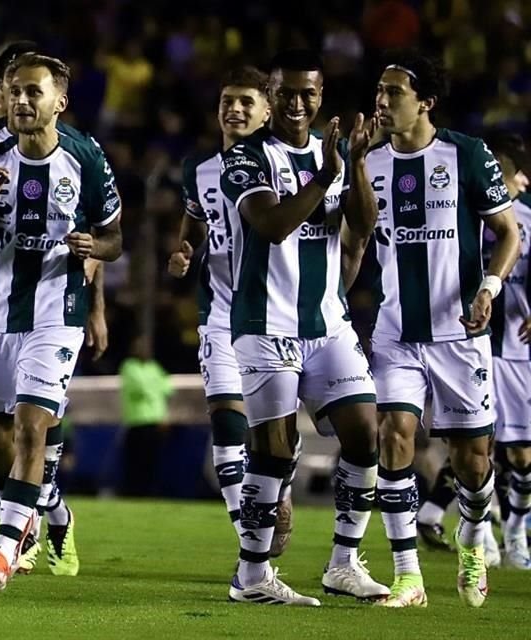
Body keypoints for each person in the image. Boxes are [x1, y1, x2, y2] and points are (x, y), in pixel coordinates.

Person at [221, 49, 386, 606]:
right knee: (275, 450)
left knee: (367, 432)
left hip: (326, 321)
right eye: (285, 93)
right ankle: (252, 576)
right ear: (270, 99)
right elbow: (269, 225)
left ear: (321, 97)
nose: (296, 103)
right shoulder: (246, 157)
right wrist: (325, 177)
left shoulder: (333, 152)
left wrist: (356, 164)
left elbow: (362, 226)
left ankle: (343, 563)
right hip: (263, 323)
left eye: (307, 94)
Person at [0, 53, 122, 590]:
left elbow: (114, 238)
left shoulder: (85, 155)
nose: (22, 101)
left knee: (33, 426)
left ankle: (5, 549)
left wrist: (94, 246)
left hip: (57, 311)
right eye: (15, 91)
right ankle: (51, 512)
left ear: (60, 101)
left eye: (34, 92)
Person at [363, 50, 520, 608]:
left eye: (394, 93)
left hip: (461, 334)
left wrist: (489, 289)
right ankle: (408, 577)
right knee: (394, 435)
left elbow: (507, 234)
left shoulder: (467, 155)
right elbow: (350, 239)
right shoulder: (367, 162)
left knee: (473, 461)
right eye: (379, 92)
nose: (382, 102)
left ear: (425, 101)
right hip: (396, 333)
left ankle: (474, 537)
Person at [168, 65, 300, 552]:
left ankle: (276, 491)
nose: (235, 109)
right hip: (219, 311)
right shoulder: (198, 167)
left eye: (247, 101)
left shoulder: (283, 163)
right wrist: (183, 251)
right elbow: (193, 223)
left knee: (275, 434)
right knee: (226, 421)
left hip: (277, 312)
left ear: (268, 110)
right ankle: (250, 534)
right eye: (228, 100)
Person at [483, 131, 531, 569]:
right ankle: (481, 532)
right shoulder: (465, 213)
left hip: (516, 349)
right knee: (476, 446)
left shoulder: (529, 221)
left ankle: (516, 528)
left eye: (501, 171)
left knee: (520, 453)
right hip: (470, 345)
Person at [118, 333, 173, 496]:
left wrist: (153, 388)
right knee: (135, 460)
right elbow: (141, 388)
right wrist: (154, 387)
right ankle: (133, 491)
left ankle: (149, 491)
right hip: (137, 421)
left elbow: (168, 387)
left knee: (152, 460)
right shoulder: (129, 366)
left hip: (155, 421)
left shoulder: (154, 367)